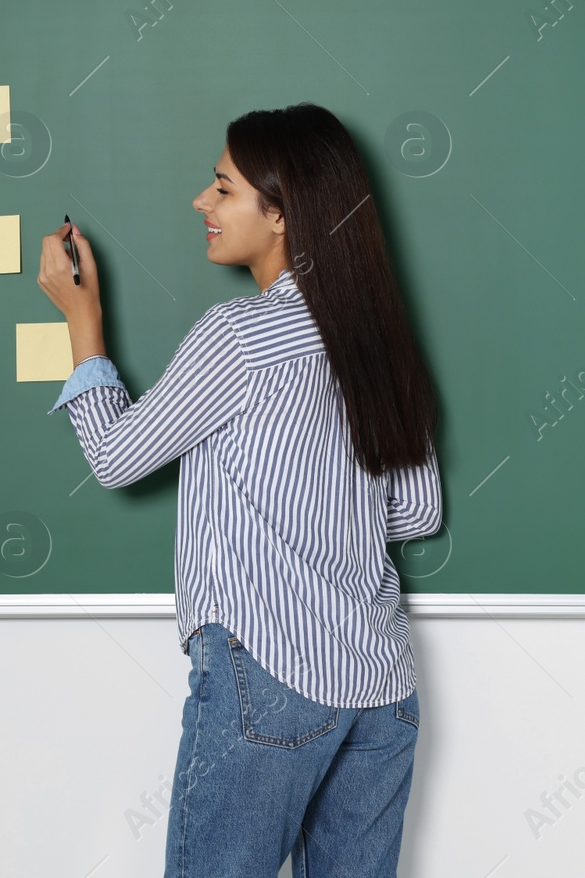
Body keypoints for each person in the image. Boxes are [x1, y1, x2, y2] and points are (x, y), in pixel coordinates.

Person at [38, 101, 442, 877]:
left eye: (222, 188)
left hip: (269, 676)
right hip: (381, 687)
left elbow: (119, 457)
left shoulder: (240, 336)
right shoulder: (379, 340)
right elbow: (417, 509)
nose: (202, 201)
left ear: (282, 212)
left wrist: (82, 321)